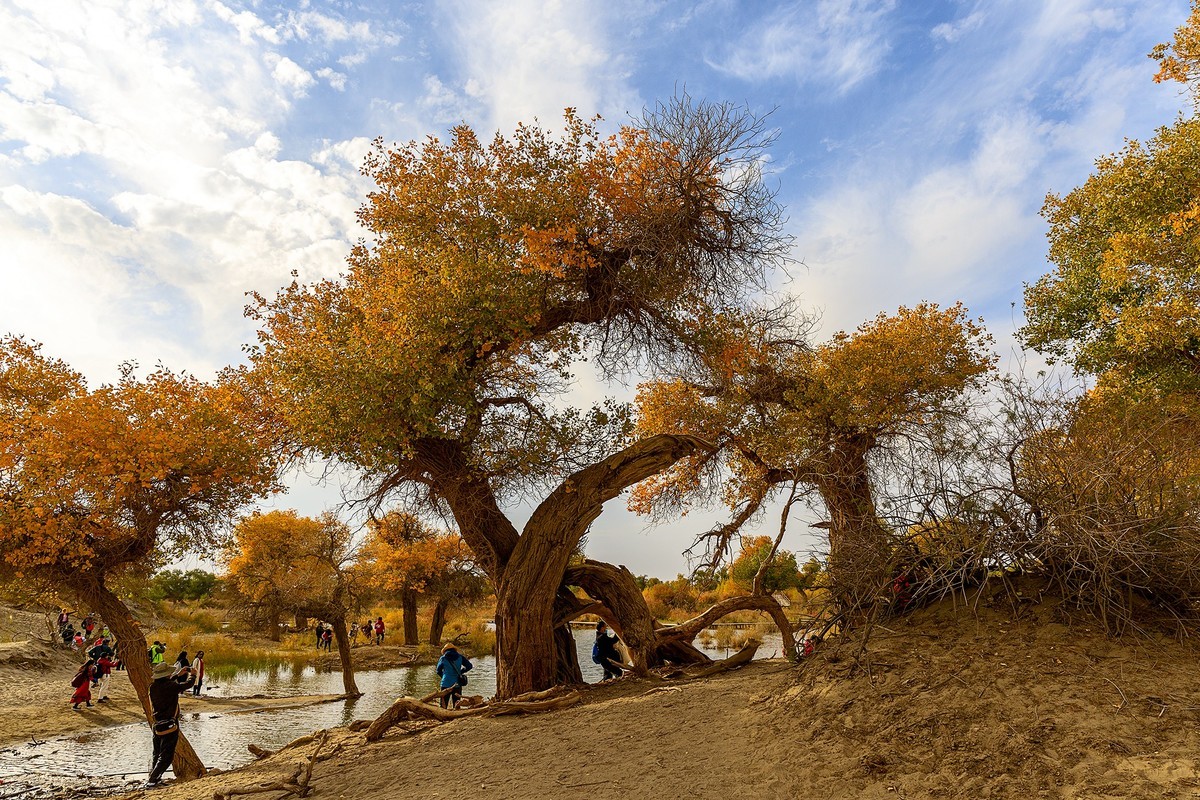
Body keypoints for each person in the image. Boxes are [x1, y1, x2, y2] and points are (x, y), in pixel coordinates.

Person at [145, 661, 196, 788]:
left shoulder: (152, 687)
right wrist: (193, 675)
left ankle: (155, 778)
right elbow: (188, 685)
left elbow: (168, 684)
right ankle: (152, 780)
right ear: (167, 674)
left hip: (157, 724)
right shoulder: (170, 686)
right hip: (170, 725)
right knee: (167, 756)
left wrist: (178, 675)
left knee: (157, 753)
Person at [435, 643, 473, 709]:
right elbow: (469, 666)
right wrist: (461, 671)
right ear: (454, 649)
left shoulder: (443, 658)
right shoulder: (460, 657)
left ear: (445, 651)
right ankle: (456, 716)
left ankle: (443, 718)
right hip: (457, 683)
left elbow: (438, 671)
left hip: (445, 684)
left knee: (443, 705)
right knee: (457, 704)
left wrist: (443, 676)